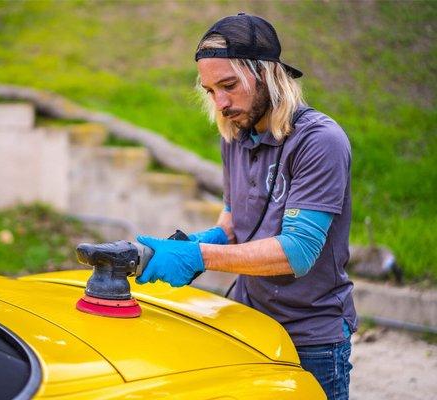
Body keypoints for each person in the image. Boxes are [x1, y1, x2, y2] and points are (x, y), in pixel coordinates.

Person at [136, 13, 357, 400]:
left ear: (267, 75)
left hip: (310, 338)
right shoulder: (236, 135)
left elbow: (297, 252)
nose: (220, 103)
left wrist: (198, 256)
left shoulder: (320, 141)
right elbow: (235, 221)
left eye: (229, 85)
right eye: (209, 91)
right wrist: (190, 244)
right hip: (249, 321)